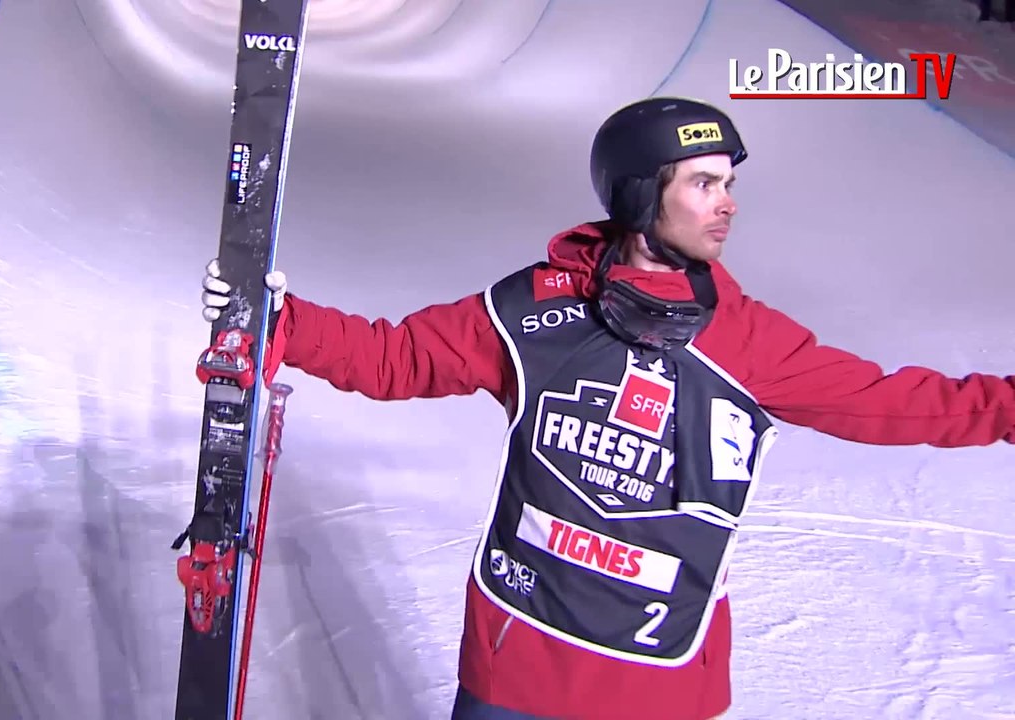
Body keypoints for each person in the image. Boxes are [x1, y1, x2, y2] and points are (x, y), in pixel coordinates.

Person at [200, 97, 1015, 720]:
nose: (727, 203)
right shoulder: (534, 312)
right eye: (703, 184)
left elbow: (896, 405)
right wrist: (280, 324)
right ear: (636, 195)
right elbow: (395, 357)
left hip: (660, 680)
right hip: (518, 661)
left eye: (729, 184)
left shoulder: (748, 340)